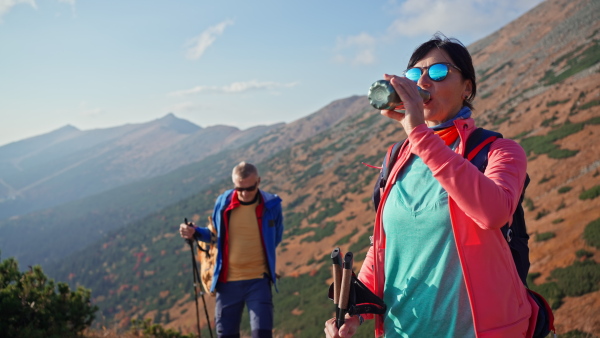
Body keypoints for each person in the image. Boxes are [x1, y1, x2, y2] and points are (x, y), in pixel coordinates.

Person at [325, 33, 537, 337]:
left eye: (438, 72)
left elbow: (493, 213)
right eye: (415, 74)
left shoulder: (499, 151)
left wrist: (418, 132)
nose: (423, 82)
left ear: (467, 89)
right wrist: (357, 312)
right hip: (402, 330)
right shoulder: (396, 157)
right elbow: (385, 246)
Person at [180, 161, 284, 338]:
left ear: (258, 182)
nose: (244, 193)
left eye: (249, 188)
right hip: (228, 282)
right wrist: (194, 232)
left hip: (258, 280)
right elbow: (215, 237)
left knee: (262, 334)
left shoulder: (272, 205)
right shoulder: (223, 203)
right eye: (239, 188)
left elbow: (275, 237)